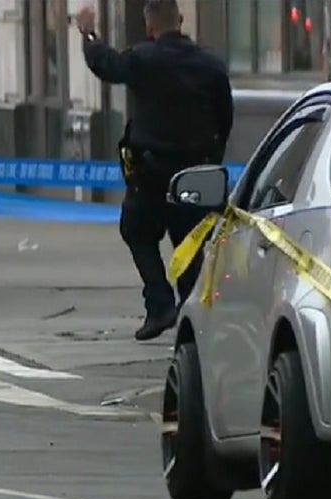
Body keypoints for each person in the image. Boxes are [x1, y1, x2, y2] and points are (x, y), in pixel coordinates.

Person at [75, 0, 234, 341]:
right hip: (196, 171)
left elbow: (106, 64)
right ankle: (195, 318)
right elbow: (226, 116)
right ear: (179, 20)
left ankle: (160, 303)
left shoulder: (143, 59)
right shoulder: (210, 64)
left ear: (150, 27)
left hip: (151, 172)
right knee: (190, 243)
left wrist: (89, 34)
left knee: (137, 232)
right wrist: (212, 157)